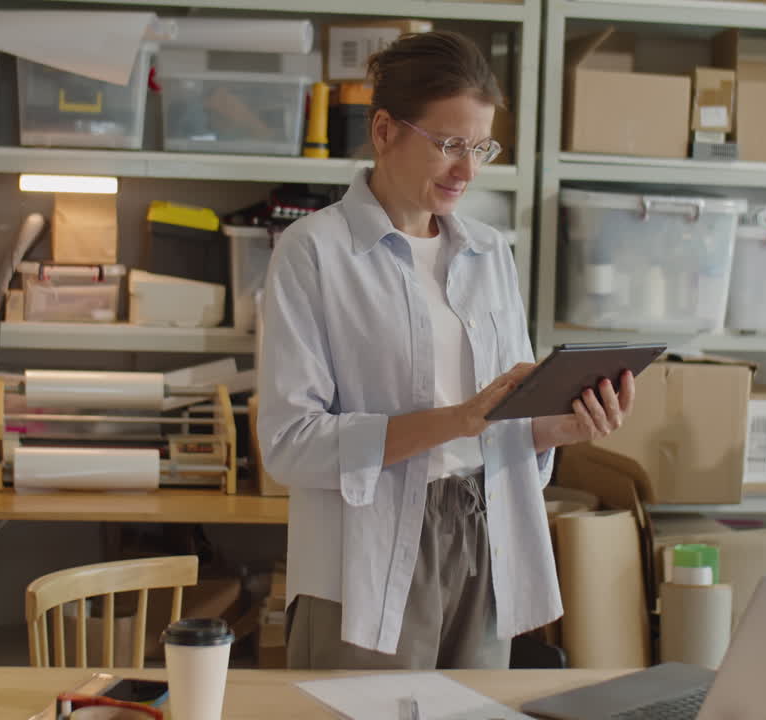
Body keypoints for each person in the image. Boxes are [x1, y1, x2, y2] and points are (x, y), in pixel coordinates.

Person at [257, 30, 635, 670]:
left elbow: (502, 422)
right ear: (384, 131)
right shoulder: (313, 252)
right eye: (449, 145)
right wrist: (455, 420)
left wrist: (552, 428)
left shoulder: (490, 253)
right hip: (366, 548)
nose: (469, 169)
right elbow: (290, 444)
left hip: (485, 534)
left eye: (481, 145)